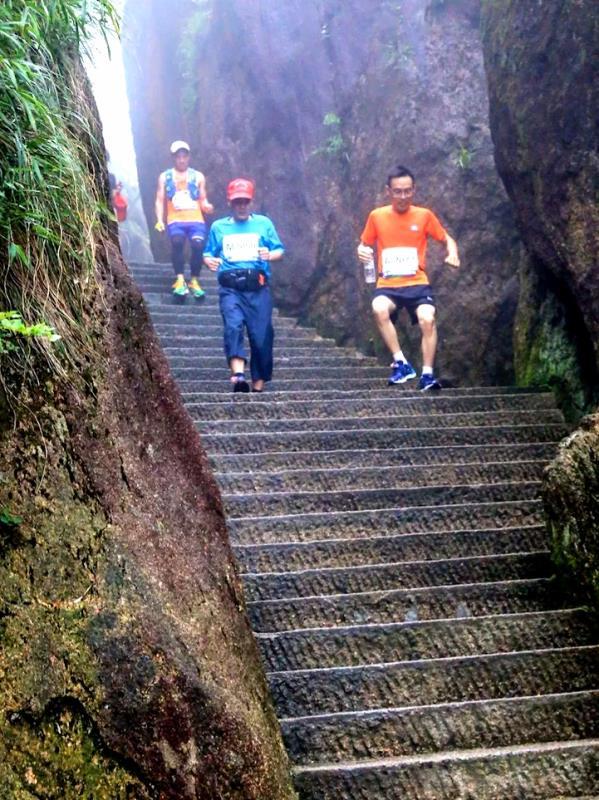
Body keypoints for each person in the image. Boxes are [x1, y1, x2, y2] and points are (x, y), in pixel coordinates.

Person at [357, 165, 460, 390]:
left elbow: (447, 239)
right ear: (388, 191)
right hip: (388, 283)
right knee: (378, 307)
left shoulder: (424, 215)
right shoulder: (377, 216)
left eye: (407, 191)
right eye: (397, 191)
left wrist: (452, 254)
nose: (403, 196)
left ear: (414, 190)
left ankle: (428, 375)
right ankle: (401, 363)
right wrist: (361, 250)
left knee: (428, 318)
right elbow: (364, 244)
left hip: (417, 283)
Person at [203, 178, 284, 393]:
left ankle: (258, 384)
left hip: (258, 288)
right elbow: (208, 253)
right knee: (233, 325)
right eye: (237, 201)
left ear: (250, 202)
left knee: (261, 335)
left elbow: (279, 251)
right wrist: (208, 260)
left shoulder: (264, 224)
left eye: (245, 201)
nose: (241, 206)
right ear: (230, 202)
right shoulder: (219, 227)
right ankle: (238, 375)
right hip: (230, 289)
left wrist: (270, 255)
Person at [154, 140, 213, 299]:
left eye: (184, 156)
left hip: (195, 219)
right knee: (178, 242)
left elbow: (203, 198)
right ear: (173, 158)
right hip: (176, 219)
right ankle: (180, 279)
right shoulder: (165, 177)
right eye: (178, 156)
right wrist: (160, 219)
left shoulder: (198, 176)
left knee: (198, 244)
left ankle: (194, 279)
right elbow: (160, 199)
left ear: (188, 157)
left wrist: (207, 206)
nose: (181, 160)